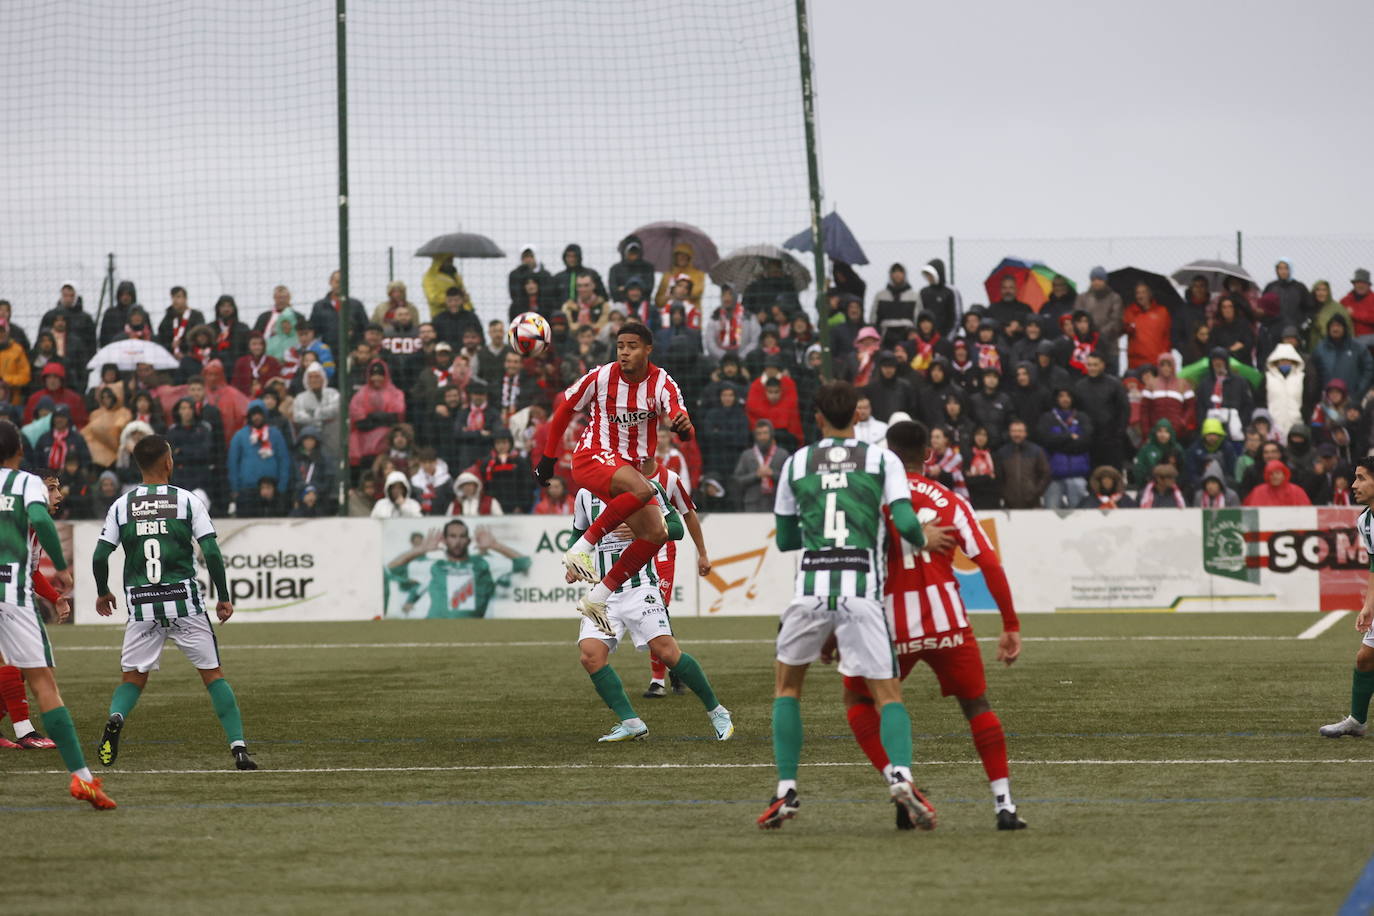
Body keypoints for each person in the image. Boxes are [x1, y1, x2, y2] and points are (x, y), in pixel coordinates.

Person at [758, 380, 951, 831]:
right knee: (887, 695)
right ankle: (901, 775)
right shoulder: (882, 459)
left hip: (810, 588)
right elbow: (904, 519)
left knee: (788, 689)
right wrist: (925, 538)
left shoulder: (797, 462)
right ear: (858, 417)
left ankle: (786, 788)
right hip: (862, 589)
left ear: (818, 417)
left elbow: (786, 539)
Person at [837, 420, 1025, 829]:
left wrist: (836, 625)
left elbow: (850, 562)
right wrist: (1010, 623)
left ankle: (900, 785)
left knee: (861, 702)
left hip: (889, 626)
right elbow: (989, 563)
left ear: (886, 453)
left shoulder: (870, 500)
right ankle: (1004, 805)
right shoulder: (951, 501)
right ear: (929, 454)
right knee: (976, 706)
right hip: (948, 623)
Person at [91, 433, 252, 773]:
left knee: (133, 679)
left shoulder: (122, 505)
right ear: (168, 462)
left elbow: (100, 554)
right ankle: (238, 748)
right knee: (213, 676)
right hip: (183, 600)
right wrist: (223, 597)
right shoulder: (187, 501)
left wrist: (103, 591)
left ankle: (116, 718)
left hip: (143, 603)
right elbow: (210, 550)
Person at [534, 323, 693, 633]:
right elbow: (565, 409)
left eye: (632, 345)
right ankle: (582, 549)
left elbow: (679, 417)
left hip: (627, 471)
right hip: (592, 456)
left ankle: (597, 597)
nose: (624, 351)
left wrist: (683, 426)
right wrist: (548, 458)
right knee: (644, 488)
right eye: (620, 345)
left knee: (656, 533)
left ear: (648, 349)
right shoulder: (600, 376)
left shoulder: (663, 383)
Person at [568, 478, 730, 742]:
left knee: (667, 652)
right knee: (590, 656)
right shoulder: (585, 494)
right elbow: (578, 534)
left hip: (640, 586)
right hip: (604, 593)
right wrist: (573, 562)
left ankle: (718, 711)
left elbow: (676, 528)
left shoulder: (647, 486)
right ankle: (631, 722)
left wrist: (642, 529)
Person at [0, 435, 114, 808]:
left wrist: (53, 596)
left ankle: (21, 728)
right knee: (43, 682)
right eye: (52, 488)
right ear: (19, 451)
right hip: (9, 594)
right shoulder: (24, 485)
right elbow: (38, 518)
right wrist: (62, 569)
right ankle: (81, 778)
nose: (56, 494)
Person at [1319, 459, 1374, 737]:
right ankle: (1357, 721)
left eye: (1361, 478)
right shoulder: (1365, 521)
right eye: (1355, 478)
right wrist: (1368, 606)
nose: (1354, 485)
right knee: (1365, 659)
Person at [388, 520, 530, 618]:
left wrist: (495, 545)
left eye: (462, 536)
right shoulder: (434, 566)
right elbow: (394, 568)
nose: (457, 541)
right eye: (453, 536)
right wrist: (420, 549)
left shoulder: (484, 564)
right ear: (444, 540)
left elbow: (523, 563)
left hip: (471, 632)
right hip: (434, 630)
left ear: (468, 540)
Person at [227, 400, 290, 512]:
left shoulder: (275, 434)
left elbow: (284, 460)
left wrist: (282, 487)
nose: (256, 417)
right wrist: (235, 488)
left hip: (272, 490)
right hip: (247, 490)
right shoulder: (239, 436)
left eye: (259, 414)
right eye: (253, 414)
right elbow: (233, 464)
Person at [1037, 388, 1093, 508]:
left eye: (1068, 396)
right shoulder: (1047, 418)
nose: (1065, 399)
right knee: (1051, 512)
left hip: (1077, 474)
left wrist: (1058, 443)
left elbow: (1086, 441)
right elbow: (1045, 440)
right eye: (1061, 396)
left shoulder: (1082, 417)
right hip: (1053, 475)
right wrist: (1069, 437)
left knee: (1079, 513)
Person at [732, 419, 790, 512]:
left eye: (765, 433)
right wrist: (756, 475)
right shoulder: (747, 455)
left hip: (777, 503)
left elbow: (789, 480)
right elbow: (737, 480)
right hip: (753, 505)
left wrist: (772, 473)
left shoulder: (782, 454)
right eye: (759, 434)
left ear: (771, 434)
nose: (762, 437)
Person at [994, 419, 1051, 508]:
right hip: (1009, 504)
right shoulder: (1002, 452)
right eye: (1014, 431)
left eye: (1020, 431)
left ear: (1025, 433)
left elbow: (1046, 474)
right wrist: (1005, 494)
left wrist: (1036, 492)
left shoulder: (1036, 451)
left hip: (1033, 504)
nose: (1017, 434)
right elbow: (999, 477)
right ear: (1009, 433)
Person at [1075, 266, 1123, 365]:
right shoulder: (1082, 298)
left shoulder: (1115, 298)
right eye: (1094, 279)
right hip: (1086, 348)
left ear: (1105, 281)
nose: (1096, 282)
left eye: (1099, 279)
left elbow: (1116, 322)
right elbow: (1077, 319)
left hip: (1110, 349)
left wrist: (1098, 336)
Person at [1122, 281, 1171, 370]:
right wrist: (1128, 328)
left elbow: (1167, 336)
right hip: (1135, 363)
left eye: (1143, 292)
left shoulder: (1162, 312)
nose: (1140, 296)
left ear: (1150, 294)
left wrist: (1166, 358)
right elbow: (1122, 330)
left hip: (1156, 362)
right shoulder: (1130, 311)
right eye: (1138, 293)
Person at [1243, 459, 1311, 506]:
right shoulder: (1258, 491)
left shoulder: (1297, 491)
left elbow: (1306, 514)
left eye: (1277, 473)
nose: (1274, 476)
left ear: (1284, 474)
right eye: (1271, 473)